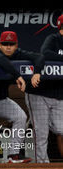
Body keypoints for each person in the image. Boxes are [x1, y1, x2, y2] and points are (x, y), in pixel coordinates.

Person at [0, 30, 40, 164]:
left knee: (20, 117)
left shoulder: (17, 53)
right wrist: (18, 76)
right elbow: (1, 60)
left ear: (16, 46)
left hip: (0, 101)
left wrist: (37, 72)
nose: (8, 47)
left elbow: (39, 57)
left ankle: (13, 154)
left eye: (11, 44)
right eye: (5, 44)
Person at [27, 14, 63, 163]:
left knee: (61, 129)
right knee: (41, 133)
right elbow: (45, 53)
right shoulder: (53, 39)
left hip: (59, 95)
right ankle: (41, 164)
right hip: (39, 92)